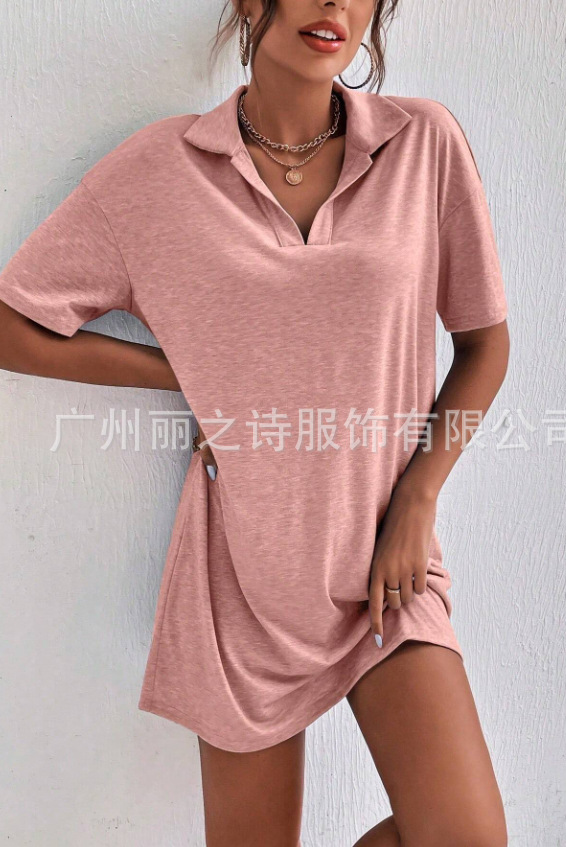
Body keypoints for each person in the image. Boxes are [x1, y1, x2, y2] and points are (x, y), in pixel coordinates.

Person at [0, 1, 511, 844]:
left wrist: (418, 501)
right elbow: (14, 323)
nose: (335, 5)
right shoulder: (160, 171)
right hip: (240, 582)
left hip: (386, 566)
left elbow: (485, 345)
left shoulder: (422, 144)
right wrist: (186, 376)